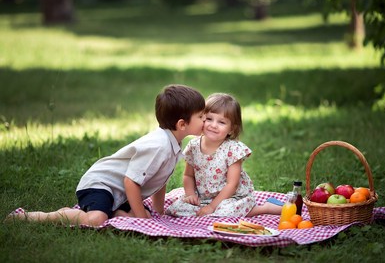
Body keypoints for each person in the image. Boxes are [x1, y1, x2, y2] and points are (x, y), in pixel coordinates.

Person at [7, 84, 205, 226]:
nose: (206, 120)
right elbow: (130, 182)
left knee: (140, 212)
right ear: (181, 124)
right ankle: (44, 216)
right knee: (97, 220)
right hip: (100, 184)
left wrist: (158, 213)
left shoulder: (174, 144)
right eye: (201, 116)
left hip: (120, 194)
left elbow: (160, 181)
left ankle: (117, 211)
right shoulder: (159, 146)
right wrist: (144, 222)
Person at [165, 93, 282, 217]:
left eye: (221, 122)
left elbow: (232, 184)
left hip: (231, 197)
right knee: (175, 209)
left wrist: (211, 207)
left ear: (231, 129)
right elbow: (188, 176)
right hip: (203, 198)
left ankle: (264, 208)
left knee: (226, 212)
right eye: (209, 119)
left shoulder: (233, 149)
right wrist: (190, 195)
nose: (213, 125)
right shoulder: (193, 146)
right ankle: (209, 213)